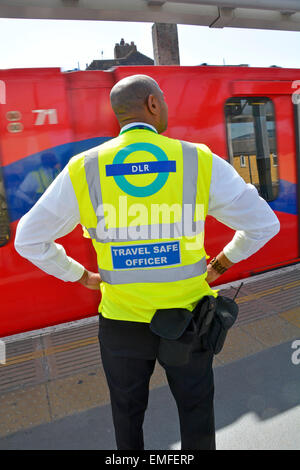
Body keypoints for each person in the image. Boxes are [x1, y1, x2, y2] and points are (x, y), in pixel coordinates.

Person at [15, 74, 280, 450]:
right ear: (154, 104)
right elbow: (263, 225)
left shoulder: (84, 167)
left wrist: (81, 276)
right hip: (188, 320)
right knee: (196, 413)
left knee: (126, 415)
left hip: (121, 324)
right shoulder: (197, 159)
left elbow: (28, 239)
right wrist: (220, 264)